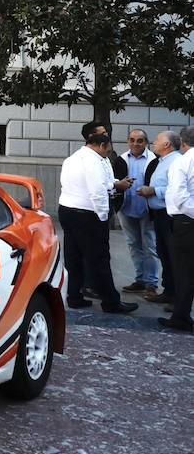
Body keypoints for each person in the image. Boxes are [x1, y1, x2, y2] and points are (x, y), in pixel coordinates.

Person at [58, 122, 138, 314]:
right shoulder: (93, 160)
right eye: (107, 149)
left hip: (68, 211)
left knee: (74, 257)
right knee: (99, 259)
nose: (107, 153)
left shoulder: (74, 157)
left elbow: (98, 183)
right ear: (100, 145)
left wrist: (115, 184)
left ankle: (74, 297)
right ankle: (111, 302)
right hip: (87, 214)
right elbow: (97, 191)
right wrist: (103, 216)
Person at [137, 130, 180, 306]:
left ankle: (178, 297)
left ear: (167, 144)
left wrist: (153, 191)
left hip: (170, 215)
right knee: (164, 254)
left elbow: (175, 189)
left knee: (173, 256)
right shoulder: (162, 161)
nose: (153, 142)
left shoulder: (176, 162)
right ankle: (169, 291)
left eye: (157, 140)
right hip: (160, 214)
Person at [160, 124, 194, 333]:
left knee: (184, 271)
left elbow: (179, 197)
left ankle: (180, 316)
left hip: (185, 221)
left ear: (182, 143)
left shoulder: (182, 162)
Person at [117, 129, 159, 298]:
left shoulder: (154, 160)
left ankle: (151, 284)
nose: (135, 143)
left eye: (140, 140)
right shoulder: (121, 159)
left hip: (147, 209)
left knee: (150, 247)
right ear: (128, 141)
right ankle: (140, 279)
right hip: (126, 208)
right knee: (133, 245)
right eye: (132, 140)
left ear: (146, 142)